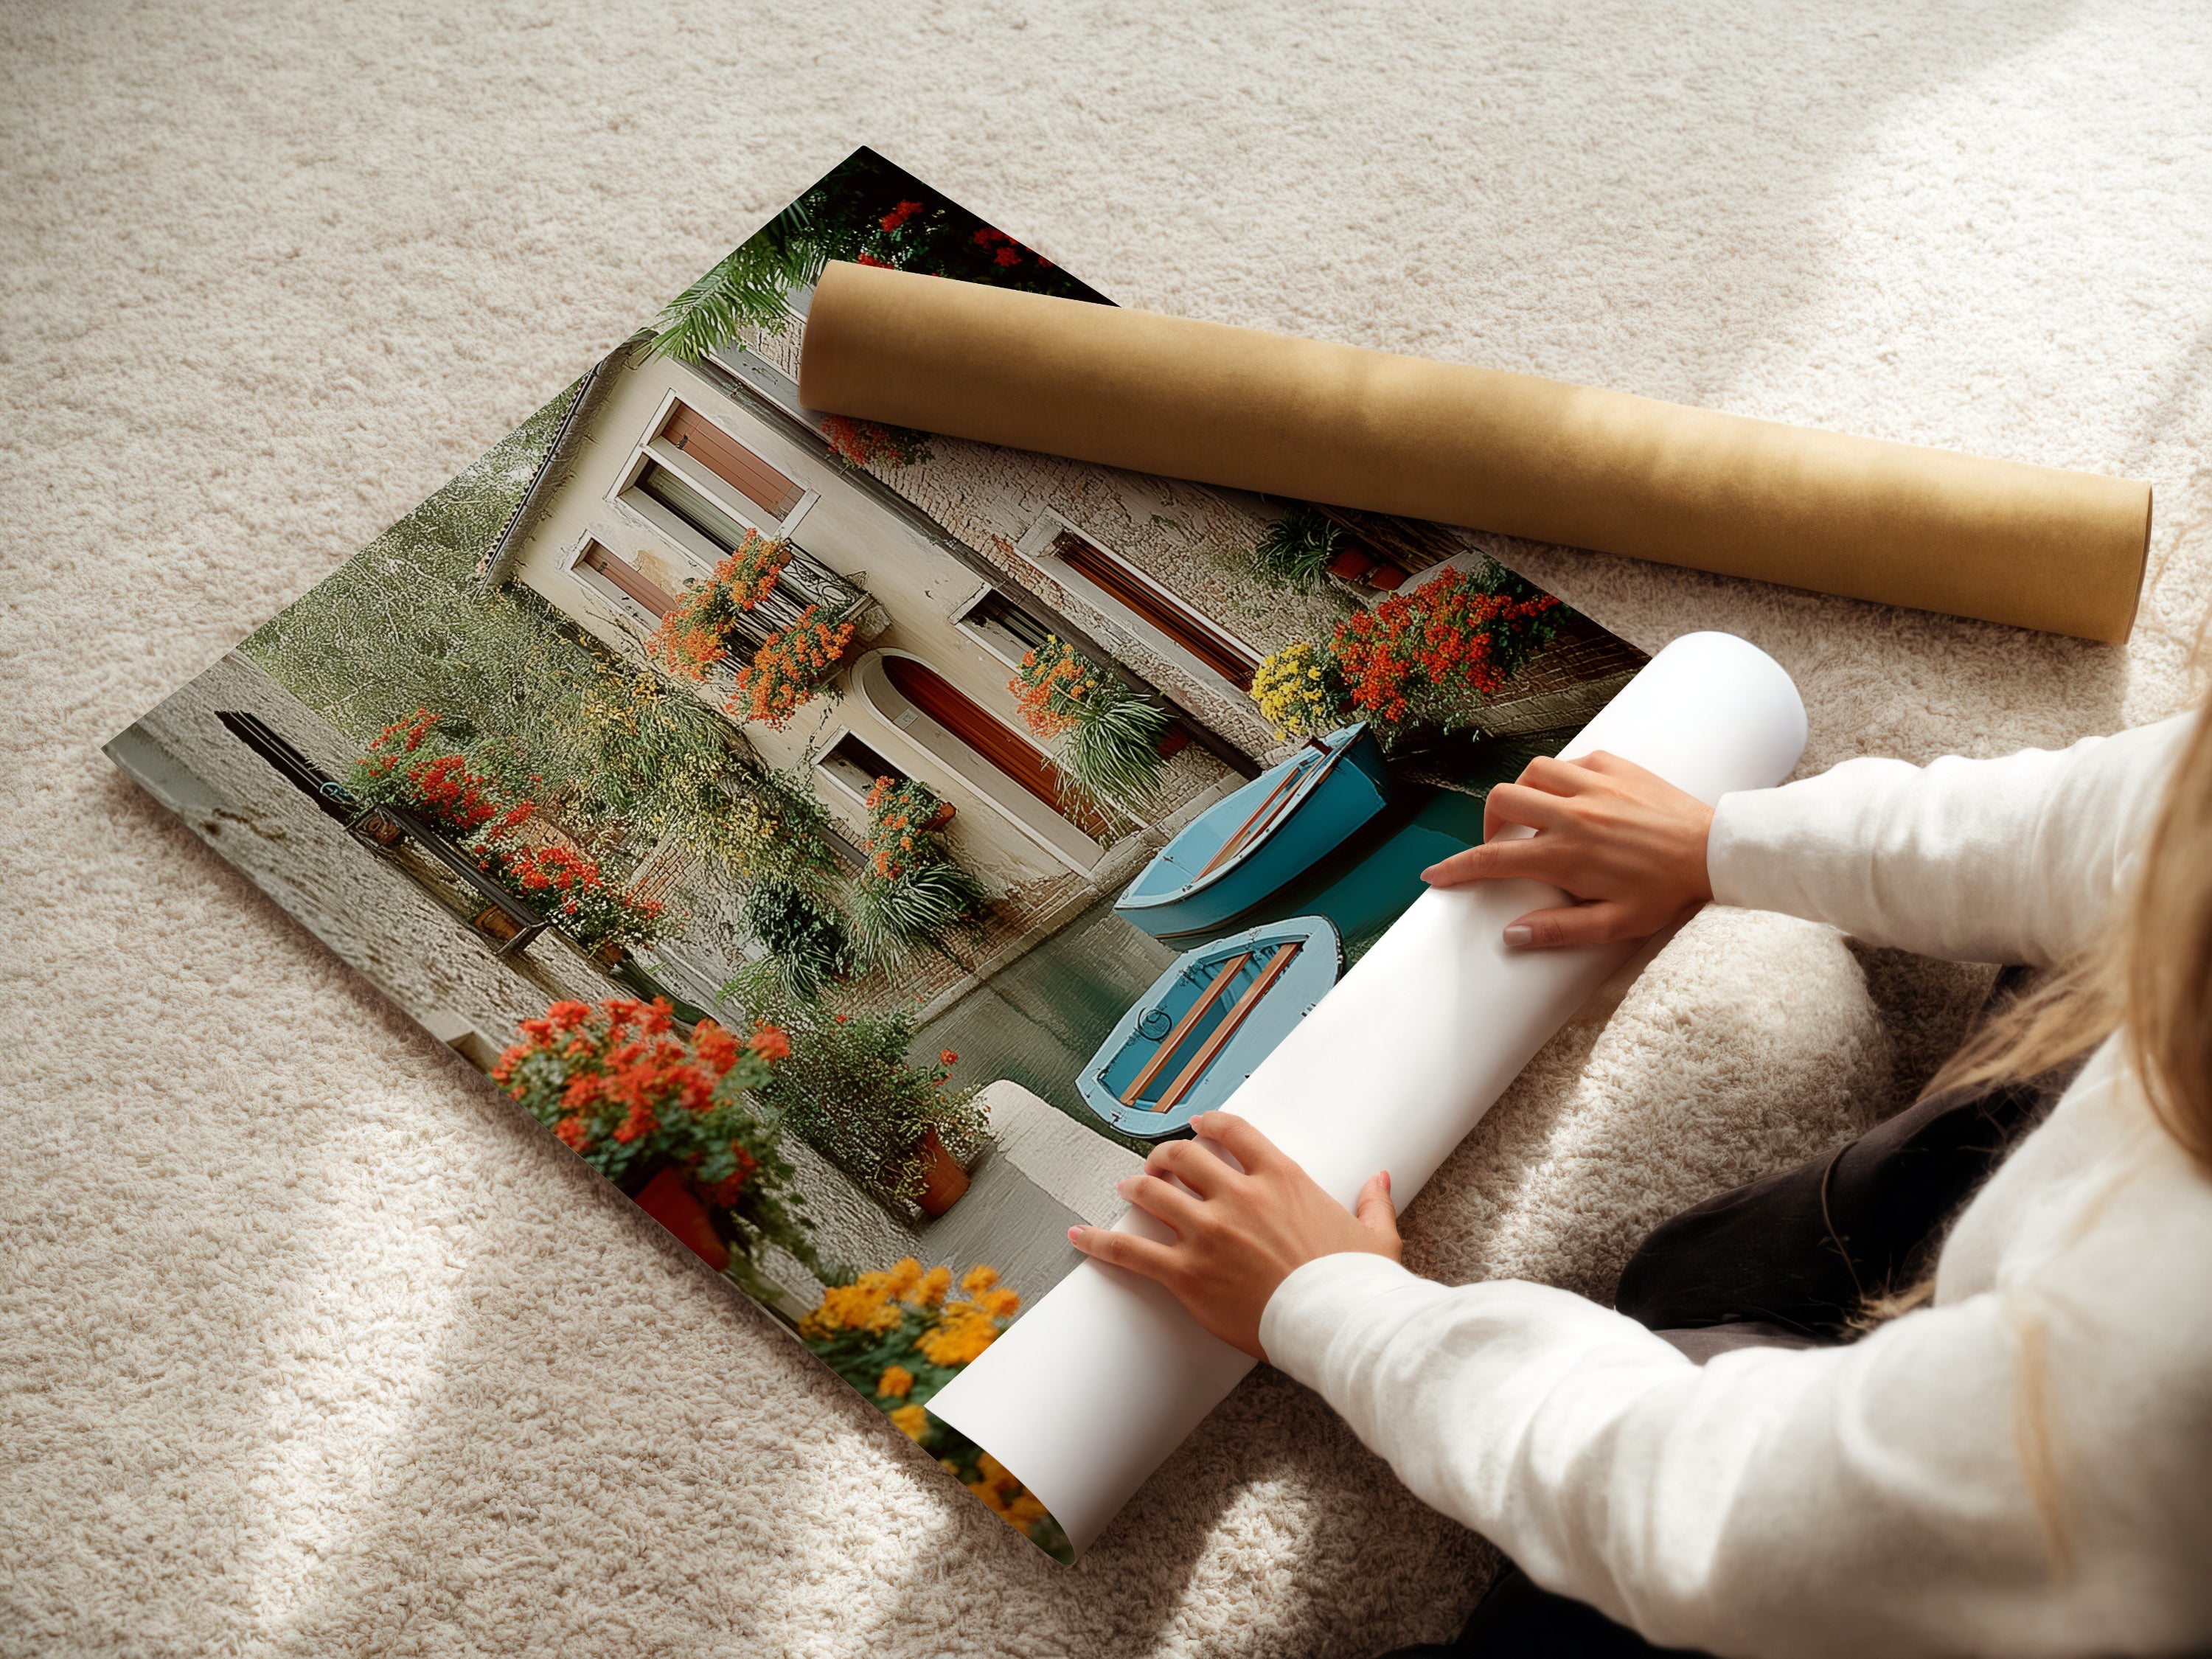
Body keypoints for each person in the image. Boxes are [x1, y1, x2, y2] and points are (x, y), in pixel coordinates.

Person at [1066, 713, 2212, 1657]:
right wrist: (1719, 841)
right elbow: (2125, 819)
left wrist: (1333, 1306)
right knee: (1698, 1270)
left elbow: (1725, 1511)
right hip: (2052, 1306)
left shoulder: (2159, 1374)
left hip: (2051, 1547)